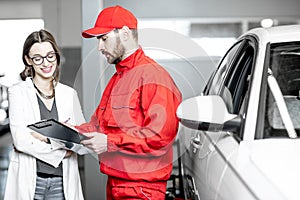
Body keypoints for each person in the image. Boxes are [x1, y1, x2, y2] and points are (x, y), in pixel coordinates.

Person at [77, 5, 182, 199]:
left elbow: (160, 138)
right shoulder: (117, 78)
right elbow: (98, 125)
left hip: (141, 190)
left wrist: (109, 142)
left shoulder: (153, 76)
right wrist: (69, 131)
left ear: (124, 33)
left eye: (103, 38)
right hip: (116, 184)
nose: (99, 47)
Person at [4, 29, 85, 200]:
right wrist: (62, 148)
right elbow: (21, 141)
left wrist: (44, 138)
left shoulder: (69, 95)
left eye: (50, 56)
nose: (45, 63)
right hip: (31, 182)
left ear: (56, 55)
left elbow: (83, 142)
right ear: (28, 60)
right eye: (37, 58)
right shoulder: (17, 92)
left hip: (62, 182)